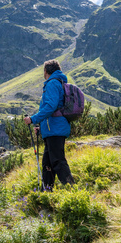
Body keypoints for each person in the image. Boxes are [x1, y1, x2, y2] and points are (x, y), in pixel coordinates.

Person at [24, 59, 75, 190]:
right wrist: (41, 128)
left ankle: (72, 190)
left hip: (55, 130)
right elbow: (54, 109)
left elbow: (50, 107)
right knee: (47, 163)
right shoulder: (59, 82)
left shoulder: (52, 83)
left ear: (46, 71)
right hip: (53, 129)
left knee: (58, 161)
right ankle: (46, 192)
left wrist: (33, 119)